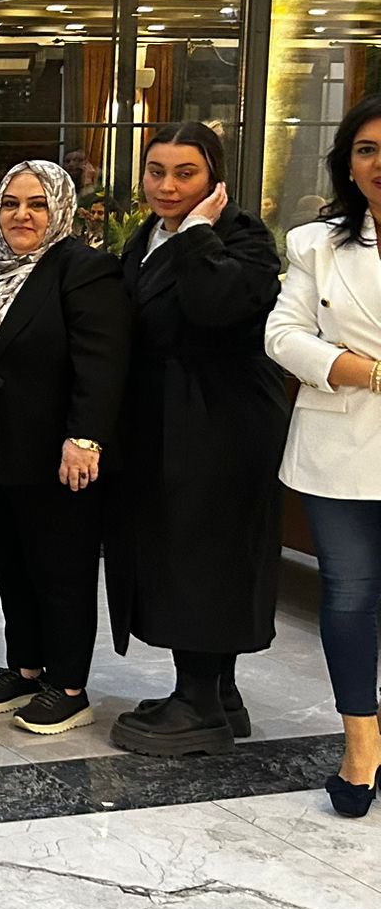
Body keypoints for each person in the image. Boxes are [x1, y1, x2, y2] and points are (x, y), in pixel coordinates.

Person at [106, 123, 288, 758]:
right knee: (184, 551)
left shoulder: (243, 237)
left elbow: (214, 305)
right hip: (169, 419)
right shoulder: (148, 234)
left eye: (185, 173)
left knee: (205, 556)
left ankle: (198, 705)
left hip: (222, 424)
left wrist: (199, 233)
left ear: (214, 179)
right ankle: (217, 693)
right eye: (156, 171)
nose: (167, 186)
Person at [0, 160, 131, 736]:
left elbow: (102, 363)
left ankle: (68, 687)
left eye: (37, 204)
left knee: (61, 570)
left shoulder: (83, 269)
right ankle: (25, 668)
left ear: (61, 210)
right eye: (10, 203)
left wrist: (85, 438)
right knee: (13, 566)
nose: (22, 215)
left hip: (57, 455)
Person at [265, 93, 381, 816]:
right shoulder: (316, 243)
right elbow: (283, 335)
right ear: (348, 162)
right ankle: (361, 744)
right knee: (349, 595)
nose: (379, 164)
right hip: (339, 444)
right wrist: (362, 370)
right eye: (367, 150)